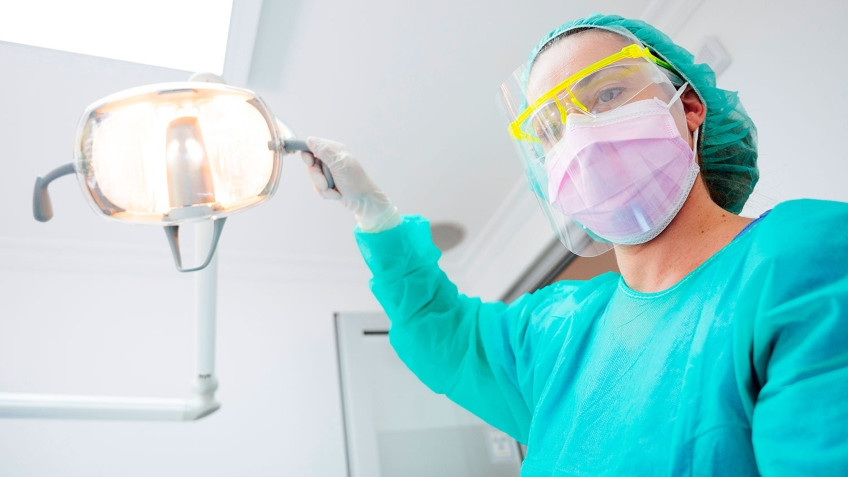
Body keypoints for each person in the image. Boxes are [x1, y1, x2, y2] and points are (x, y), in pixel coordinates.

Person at [302, 13, 848, 476]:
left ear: (687, 108)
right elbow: (441, 332)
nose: (579, 136)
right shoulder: (559, 332)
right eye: (550, 130)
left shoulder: (801, 259)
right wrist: (374, 213)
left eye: (607, 94)